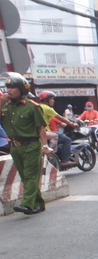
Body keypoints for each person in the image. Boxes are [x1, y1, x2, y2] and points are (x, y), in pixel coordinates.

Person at [0, 72, 51, 215]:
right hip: (15, 147)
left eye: (13, 87)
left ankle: (27, 204)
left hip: (31, 145)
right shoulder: (6, 106)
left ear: (21, 90)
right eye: (8, 87)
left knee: (30, 175)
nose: (9, 90)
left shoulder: (32, 106)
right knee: (25, 176)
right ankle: (38, 204)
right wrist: (1, 103)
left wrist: (45, 146)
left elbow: (41, 129)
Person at [38, 91, 76, 167]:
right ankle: (65, 160)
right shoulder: (48, 109)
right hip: (46, 132)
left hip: (40, 133)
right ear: (46, 100)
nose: (53, 101)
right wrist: (72, 124)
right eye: (51, 99)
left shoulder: (38, 106)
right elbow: (61, 118)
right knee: (67, 140)